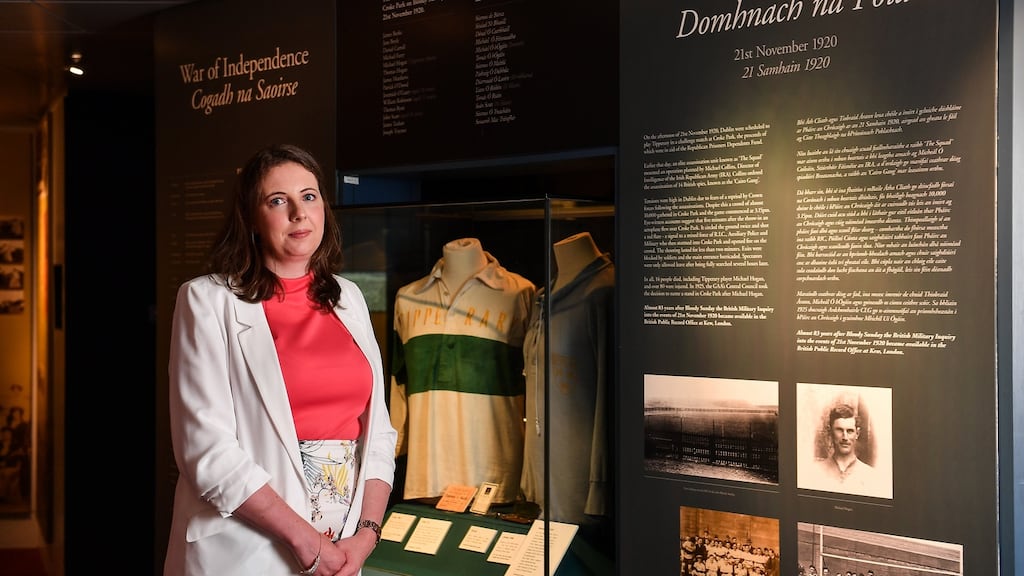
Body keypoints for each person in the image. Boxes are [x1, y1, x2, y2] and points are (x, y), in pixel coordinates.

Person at [164, 144, 397, 576]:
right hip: (249, 548)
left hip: (344, 550)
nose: (299, 213)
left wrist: (366, 534)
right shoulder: (205, 299)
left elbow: (379, 430)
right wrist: (307, 542)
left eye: (309, 196)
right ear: (251, 218)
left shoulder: (350, 296)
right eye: (278, 201)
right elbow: (206, 453)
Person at [389, 237, 535, 505]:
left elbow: (537, 386)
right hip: (427, 474)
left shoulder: (519, 293)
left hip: (498, 474)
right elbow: (398, 383)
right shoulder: (408, 297)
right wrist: (395, 447)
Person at [804, 403, 882, 497]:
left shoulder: (871, 475)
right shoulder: (815, 471)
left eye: (850, 431)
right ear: (830, 432)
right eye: (839, 430)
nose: (845, 437)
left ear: (857, 433)